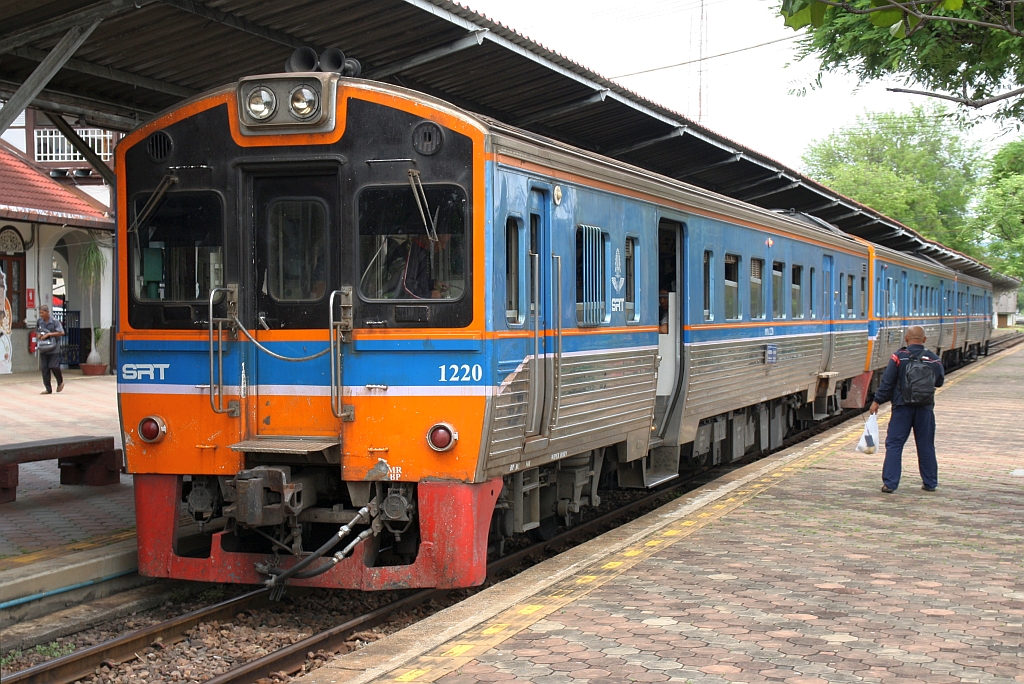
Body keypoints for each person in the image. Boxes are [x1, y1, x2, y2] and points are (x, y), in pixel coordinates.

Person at [869, 325, 945, 493]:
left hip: (902, 407)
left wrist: (877, 401)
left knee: (894, 444)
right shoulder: (933, 359)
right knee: (926, 445)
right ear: (924, 340)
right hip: (925, 408)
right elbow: (939, 382)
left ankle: (890, 483)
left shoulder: (898, 357)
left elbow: (887, 382)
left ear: (906, 338)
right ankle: (930, 482)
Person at [36, 304, 65, 394]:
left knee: (53, 365)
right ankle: (48, 389)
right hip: (44, 347)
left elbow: (61, 332)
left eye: (42, 313)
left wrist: (49, 334)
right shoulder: (40, 321)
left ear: (47, 312)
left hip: (53, 347)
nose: (41, 315)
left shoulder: (54, 321)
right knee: (45, 368)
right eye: (40, 313)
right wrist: (39, 336)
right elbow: (37, 331)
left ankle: (60, 381)